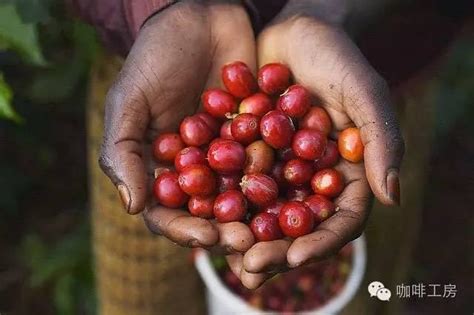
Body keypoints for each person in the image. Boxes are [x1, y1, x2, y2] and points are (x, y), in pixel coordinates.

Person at [74, 0, 468, 313]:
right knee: (142, 287)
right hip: (164, 79)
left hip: (360, 80)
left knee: (366, 278)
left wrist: (323, 8)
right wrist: (159, 7)